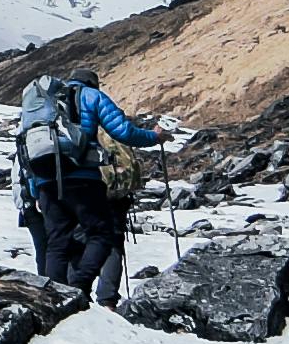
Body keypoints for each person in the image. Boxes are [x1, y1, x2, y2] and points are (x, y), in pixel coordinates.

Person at [9, 68, 174, 308]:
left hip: (46, 182)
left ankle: (56, 301)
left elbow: (25, 152)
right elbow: (123, 131)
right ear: (93, 83)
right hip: (82, 179)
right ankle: (79, 288)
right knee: (102, 233)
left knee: (57, 243)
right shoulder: (91, 96)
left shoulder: (47, 103)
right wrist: (154, 137)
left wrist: (35, 191)